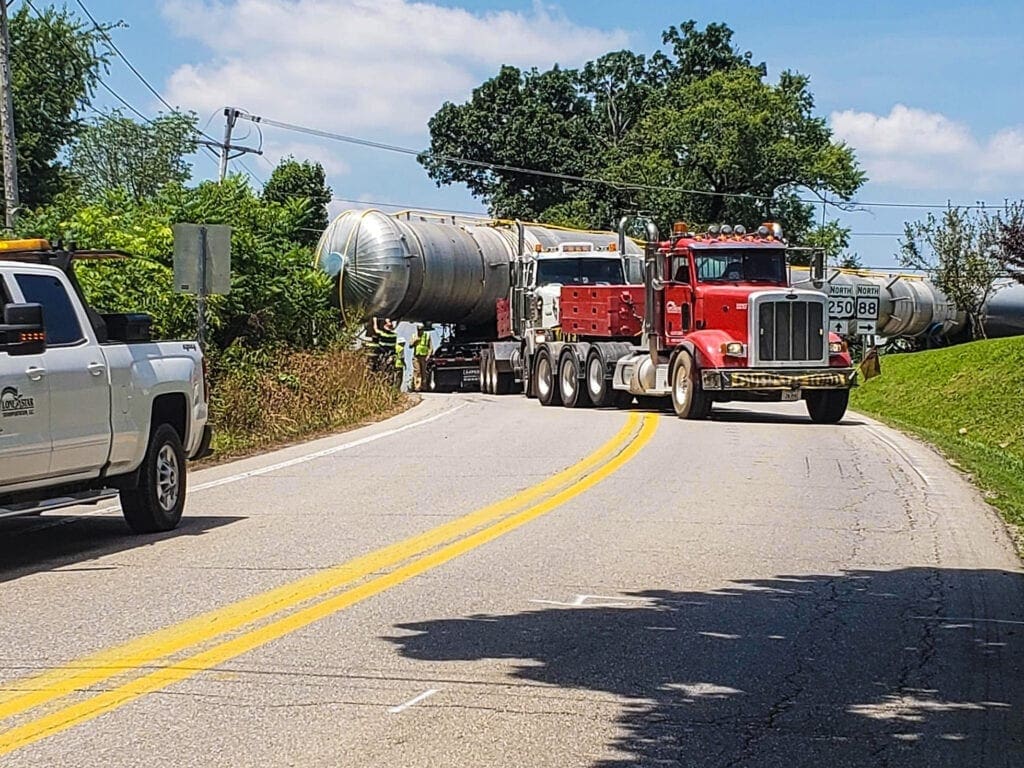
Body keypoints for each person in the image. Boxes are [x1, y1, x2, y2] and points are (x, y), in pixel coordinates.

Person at [411, 322, 434, 392]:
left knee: (424, 372)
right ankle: (417, 386)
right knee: (417, 371)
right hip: (416, 356)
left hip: (424, 357)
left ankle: (424, 386)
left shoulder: (427, 335)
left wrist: (428, 355)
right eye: (418, 329)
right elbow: (410, 345)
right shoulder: (414, 335)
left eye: (421, 329)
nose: (419, 331)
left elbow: (431, 347)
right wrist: (415, 340)